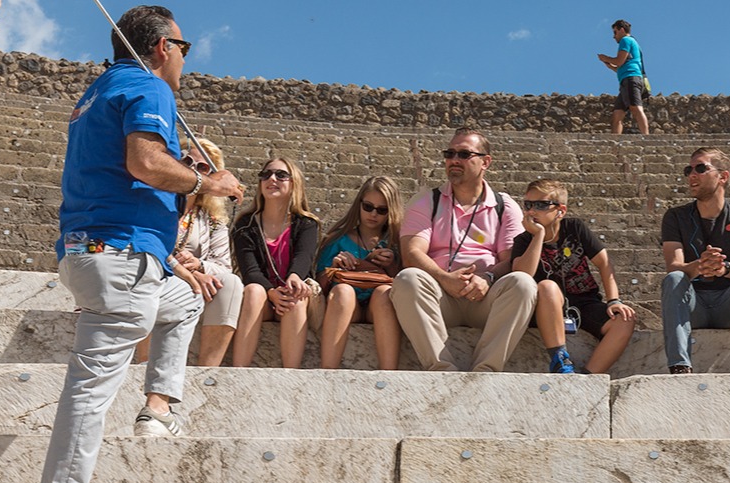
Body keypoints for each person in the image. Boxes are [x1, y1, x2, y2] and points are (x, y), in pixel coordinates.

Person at [37, 4, 246, 483]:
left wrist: (184, 173)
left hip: (94, 250)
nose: (184, 58)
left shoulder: (98, 91)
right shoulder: (152, 87)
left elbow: (130, 166)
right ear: (160, 48)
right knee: (91, 386)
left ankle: (158, 408)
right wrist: (206, 184)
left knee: (187, 299)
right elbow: (144, 163)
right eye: (183, 47)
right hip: (119, 255)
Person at [389, 127, 537, 371]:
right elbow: (411, 253)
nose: (454, 160)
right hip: (440, 296)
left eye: (464, 154)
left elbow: (512, 259)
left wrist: (487, 279)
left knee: (522, 283)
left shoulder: (504, 205)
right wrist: (444, 278)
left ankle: (486, 371)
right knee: (408, 279)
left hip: (485, 297)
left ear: (485, 162)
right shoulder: (427, 200)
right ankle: (441, 369)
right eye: (450, 154)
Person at [660, 147, 730, 374]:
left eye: (701, 168)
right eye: (688, 169)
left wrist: (724, 268)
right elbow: (674, 265)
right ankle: (679, 366)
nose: (692, 174)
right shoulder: (675, 216)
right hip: (694, 306)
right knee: (674, 278)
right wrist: (700, 266)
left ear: (723, 176)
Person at [511, 178, 636, 374]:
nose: (531, 211)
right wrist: (538, 237)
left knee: (625, 319)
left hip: (584, 303)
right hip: (545, 307)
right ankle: (560, 359)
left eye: (541, 205)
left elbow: (604, 263)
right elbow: (521, 275)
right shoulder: (523, 240)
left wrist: (614, 300)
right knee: (547, 287)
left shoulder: (575, 228)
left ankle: (588, 376)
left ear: (560, 210)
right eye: (527, 205)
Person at [230, 157, 320, 369]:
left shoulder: (306, 223)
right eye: (266, 174)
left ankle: (290, 374)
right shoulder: (245, 224)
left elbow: (303, 257)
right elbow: (249, 269)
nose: (272, 179)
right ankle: (238, 372)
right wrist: (270, 291)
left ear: (293, 183)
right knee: (254, 290)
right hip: (263, 296)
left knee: (295, 295)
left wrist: (294, 276)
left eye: (281, 175)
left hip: (292, 294)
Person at [313, 176, 404, 370]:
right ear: (359, 204)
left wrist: (393, 264)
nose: (373, 214)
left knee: (384, 294)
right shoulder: (337, 239)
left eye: (382, 210)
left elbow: (406, 284)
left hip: (378, 304)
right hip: (346, 304)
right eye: (368, 207)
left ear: (391, 211)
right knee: (343, 291)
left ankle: (390, 375)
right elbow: (317, 286)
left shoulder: (398, 243)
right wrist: (334, 267)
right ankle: (327, 371)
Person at [171, 137, 244, 366]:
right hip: (163, 270)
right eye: (187, 160)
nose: (193, 169)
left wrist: (199, 266)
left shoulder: (212, 219)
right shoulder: (158, 202)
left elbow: (223, 266)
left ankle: (207, 370)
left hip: (197, 280)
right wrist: (186, 271)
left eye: (202, 167)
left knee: (231, 283)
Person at [597, 19, 650, 135]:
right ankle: (616, 140)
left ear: (621, 30)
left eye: (615, 32)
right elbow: (621, 66)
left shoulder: (625, 40)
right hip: (627, 80)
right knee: (617, 114)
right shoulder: (633, 42)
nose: (614, 36)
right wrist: (611, 66)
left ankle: (646, 137)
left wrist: (605, 58)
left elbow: (619, 61)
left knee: (636, 108)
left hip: (631, 79)